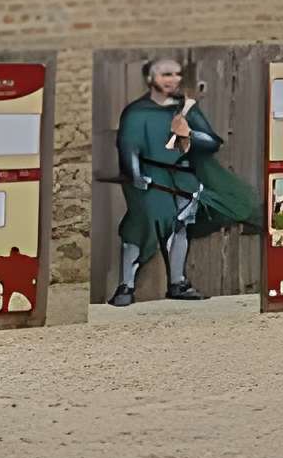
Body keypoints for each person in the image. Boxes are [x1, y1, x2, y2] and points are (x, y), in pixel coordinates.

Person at [111, 57, 259, 306]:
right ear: (150, 78)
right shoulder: (136, 112)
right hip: (150, 177)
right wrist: (136, 175)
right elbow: (128, 147)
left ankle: (177, 283)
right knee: (139, 227)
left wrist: (188, 134)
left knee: (180, 227)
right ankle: (126, 286)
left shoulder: (185, 110)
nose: (173, 80)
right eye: (166, 74)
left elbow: (212, 142)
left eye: (177, 74)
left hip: (182, 175)